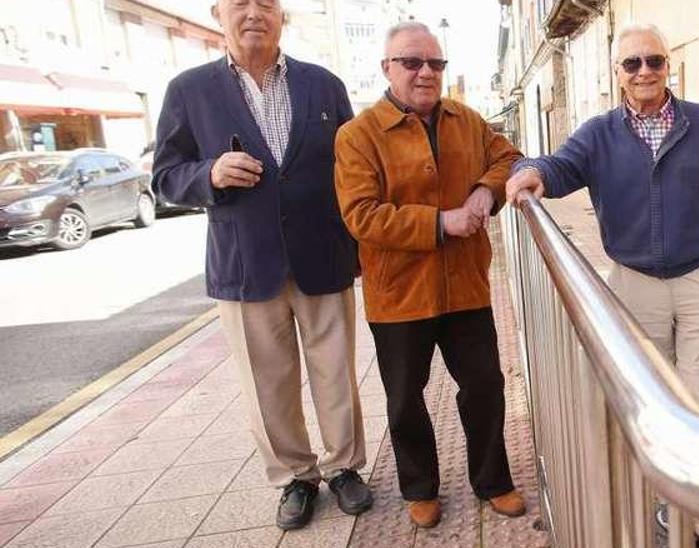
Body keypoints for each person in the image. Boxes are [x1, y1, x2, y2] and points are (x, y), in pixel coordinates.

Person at [504, 23, 699, 548]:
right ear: (617, 73)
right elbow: (561, 165)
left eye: (654, 62)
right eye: (632, 64)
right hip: (635, 284)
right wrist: (529, 171)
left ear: (668, 67)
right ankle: (668, 509)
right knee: (652, 406)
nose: (644, 72)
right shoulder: (599, 133)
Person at [152, 0, 370, 531]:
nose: (254, 12)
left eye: (266, 3)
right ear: (217, 13)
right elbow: (165, 176)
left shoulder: (323, 84)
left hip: (322, 253)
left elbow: (356, 166)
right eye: (240, 3)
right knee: (266, 380)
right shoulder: (190, 89)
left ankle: (343, 467)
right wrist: (209, 173)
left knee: (336, 371)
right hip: (246, 264)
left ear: (282, 16)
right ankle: (295, 477)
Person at [333, 22, 525, 529]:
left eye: (435, 64)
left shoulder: (467, 119)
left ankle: (494, 480)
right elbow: (363, 215)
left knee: (484, 386)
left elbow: (509, 158)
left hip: (465, 287)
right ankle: (419, 487)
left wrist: (487, 191)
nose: (425, 73)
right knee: (404, 398)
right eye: (411, 62)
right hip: (399, 295)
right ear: (386, 68)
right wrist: (442, 223)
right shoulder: (357, 136)